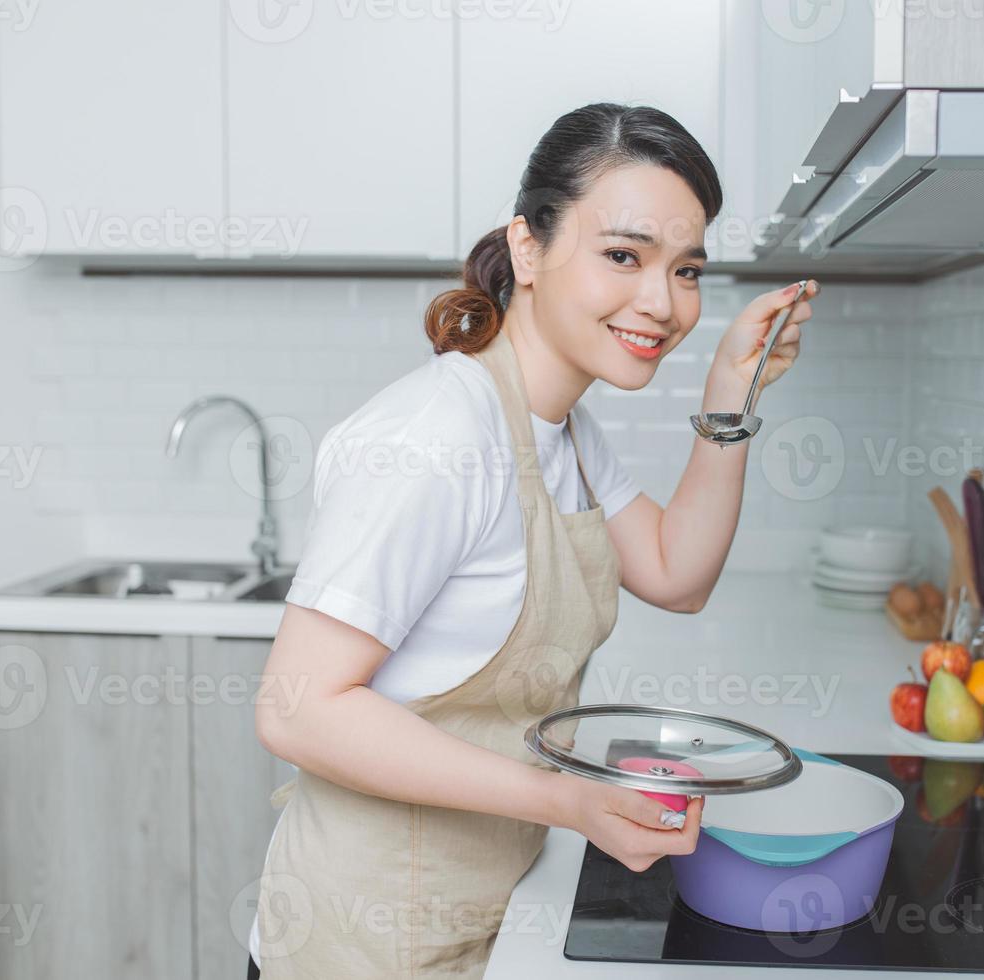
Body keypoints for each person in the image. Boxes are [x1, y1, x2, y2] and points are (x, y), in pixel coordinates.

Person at [246, 102, 817, 979]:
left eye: (687, 269)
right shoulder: (437, 435)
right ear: (528, 248)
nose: (662, 304)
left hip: (477, 905)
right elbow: (296, 706)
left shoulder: (563, 429)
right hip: (360, 942)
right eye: (622, 256)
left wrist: (731, 392)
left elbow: (674, 573)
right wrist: (569, 801)